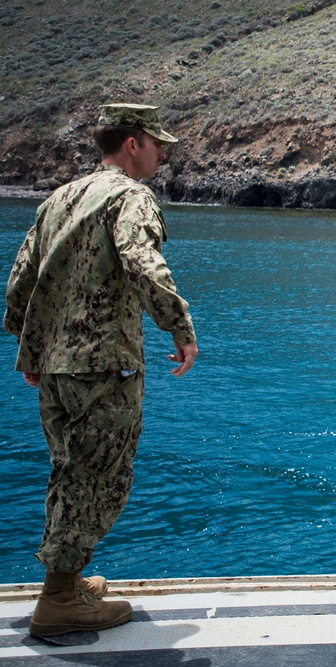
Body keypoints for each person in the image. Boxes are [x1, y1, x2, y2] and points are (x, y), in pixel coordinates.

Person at [4, 103, 198, 638]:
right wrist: (179, 328)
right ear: (132, 143)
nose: (164, 153)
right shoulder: (130, 196)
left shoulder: (59, 198)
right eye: (157, 143)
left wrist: (32, 348)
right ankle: (60, 599)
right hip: (104, 366)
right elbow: (141, 262)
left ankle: (66, 581)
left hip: (56, 367)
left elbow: (22, 279)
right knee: (99, 476)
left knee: (69, 469)